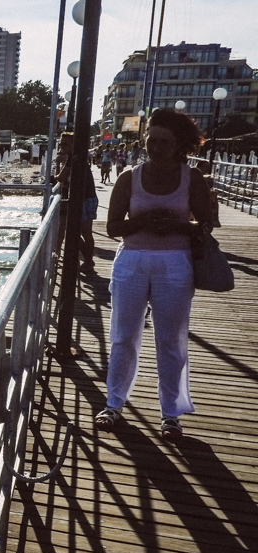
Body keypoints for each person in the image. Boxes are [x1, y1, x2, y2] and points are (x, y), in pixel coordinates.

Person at [94, 109, 212, 442]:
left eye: (164, 142)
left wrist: (179, 225)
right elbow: (113, 227)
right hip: (131, 261)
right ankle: (114, 403)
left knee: (171, 341)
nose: (156, 148)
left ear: (178, 146)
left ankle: (171, 413)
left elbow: (205, 226)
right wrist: (144, 222)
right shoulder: (129, 177)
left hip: (175, 264)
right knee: (122, 337)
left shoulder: (193, 179)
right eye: (151, 141)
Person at [54, 132, 99, 274]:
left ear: (73, 144)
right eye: (61, 144)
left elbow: (60, 178)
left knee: (83, 232)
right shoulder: (76, 158)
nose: (62, 147)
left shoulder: (73, 159)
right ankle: (88, 260)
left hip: (85, 198)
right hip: (85, 197)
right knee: (77, 231)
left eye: (65, 144)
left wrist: (56, 164)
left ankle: (88, 261)